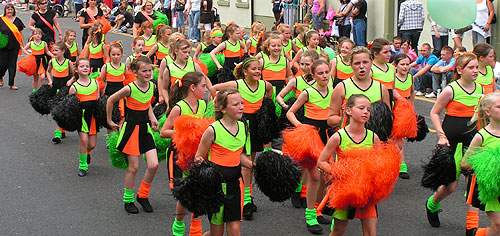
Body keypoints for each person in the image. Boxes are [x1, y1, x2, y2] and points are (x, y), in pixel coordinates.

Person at [209, 58, 273, 220]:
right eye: (254, 69)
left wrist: (265, 113)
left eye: (259, 69)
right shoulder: (237, 85)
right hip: (240, 125)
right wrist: (217, 107)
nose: (258, 71)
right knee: (243, 164)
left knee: (249, 163)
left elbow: (269, 97)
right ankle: (245, 201)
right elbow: (215, 89)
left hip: (256, 125)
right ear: (245, 71)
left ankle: (248, 197)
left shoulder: (265, 86)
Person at [425, 54, 484, 228]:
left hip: (473, 144)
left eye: (476, 67)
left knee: (474, 183)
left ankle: (471, 226)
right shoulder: (451, 89)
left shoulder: (481, 88)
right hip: (452, 143)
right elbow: (434, 112)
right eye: (470, 67)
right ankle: (432, 204)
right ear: (459, 70)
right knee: (450, 186)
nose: (475, 71)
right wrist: (441, 136)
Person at [193, 87, 254, 236]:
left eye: (242, 103)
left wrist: (254, 165)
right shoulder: (213, 130)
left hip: (235, 185)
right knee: (217, 234)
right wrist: (204, 172)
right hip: (216, 188)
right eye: (235, 104)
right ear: (223, 109)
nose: (241, 107)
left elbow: (235, 154)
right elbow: (198, 157)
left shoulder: (243, 127)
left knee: (234, 230)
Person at [318, 94, 380, 236]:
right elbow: (321, 162)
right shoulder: (339, 136)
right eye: (361, 108)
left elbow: (379, 164)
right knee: (339, 231)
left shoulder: (373, 137)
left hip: (366, 191)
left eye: (368, 110)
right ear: (349, 111)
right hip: (344, 190)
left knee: (371, 232)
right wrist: (338, 172)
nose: (366, 112)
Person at [106, 56, 159, 214]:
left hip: (145, 128)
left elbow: (147, 103)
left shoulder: (151, 86)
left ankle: (143, 195)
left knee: (153, 164)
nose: (148, 73)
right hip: (131, 129)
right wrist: (109, 120)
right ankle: (128, 199)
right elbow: (110, 100)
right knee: (134, 167)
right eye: (144, 71)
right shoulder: (129, 88)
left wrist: (153, 117)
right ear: (135, 73)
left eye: (150, 70)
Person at [287, 59, 332, 234]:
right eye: (320, 73)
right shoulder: (307, 92)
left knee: (326, 176)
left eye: (327, 72)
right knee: (314, 175)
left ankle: (317, 209)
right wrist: (301, 127)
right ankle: (310, 216)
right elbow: (290, 112)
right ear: (313, 75)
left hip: (328, 136)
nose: (325, 76)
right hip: (311, 136)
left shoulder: (334, 90)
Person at [160, 72, 207, 236]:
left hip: (197, 154)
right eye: (203, 86)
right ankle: (178, 228)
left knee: (199, 191)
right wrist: (185, 134)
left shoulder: (203, 105)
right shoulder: (179, 107)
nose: (206, 89)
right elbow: (163, 131)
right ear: (193, 88)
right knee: (184, 194)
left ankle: (196, 230)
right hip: (179, 156)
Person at [461, 92, 500, 236]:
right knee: (497, 226)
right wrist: (491, 161)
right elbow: (465, 163)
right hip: (489, 186)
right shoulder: (482, 135)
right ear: (488, 112)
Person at [327, 46, 391, 128]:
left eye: (365, 62)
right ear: (351, 65)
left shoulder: (381, 88)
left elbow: (388, 118)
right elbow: (330, 119)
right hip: (349, 138)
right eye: (357, 63)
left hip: (374, 138)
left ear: (371, 62)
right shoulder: (342, 87)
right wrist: (351, 119)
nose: (361, 66)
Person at [69, 58, 100, 177]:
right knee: (84, 140)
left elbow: (98, 100)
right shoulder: (74, 87)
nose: (85, 68)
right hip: (81, 117)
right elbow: (70, 106)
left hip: (92, 117)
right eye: (82, 66)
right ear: (76, 70)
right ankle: (82, 165)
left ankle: (86, 153)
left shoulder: (95, 83)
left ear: (90, 68)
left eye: (87, 66)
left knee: (92, 145)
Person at [46, 42, 74, 144]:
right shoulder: (52, 62)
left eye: (56, 50)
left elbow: (74, 74)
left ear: (63, 51)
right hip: (56, 89)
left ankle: (62, 129)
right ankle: (57, 134)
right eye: (53, 50)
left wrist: (70, 81)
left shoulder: (68, 62)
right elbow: (47, 72)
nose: (54, 52)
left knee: (65, 110)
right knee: (56, 110)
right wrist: (49, 80)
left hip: (65, 89)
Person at [393, 53, 414, 179]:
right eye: (402, 64)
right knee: (393, 139)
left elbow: (412, 94)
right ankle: (398, 163)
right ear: (396, 66)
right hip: (394, 109)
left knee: (400, 139)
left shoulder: (410, 77)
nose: (405, 67)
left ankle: (401, 164)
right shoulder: (393, 78)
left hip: (405, 111)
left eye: (407, 64)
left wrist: (411, 110)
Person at [0, 4, 24, 90]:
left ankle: (11, 84)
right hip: (3, 46)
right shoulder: (1, 20)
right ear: (5, 10)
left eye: (11, 9)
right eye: (8, 9)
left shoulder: (17, 21)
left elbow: (20, 33)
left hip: (15, 46)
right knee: (3, 64)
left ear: (14, 10)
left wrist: (23, 45)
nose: (10, 11)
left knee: (12, 65)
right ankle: (0, 76)